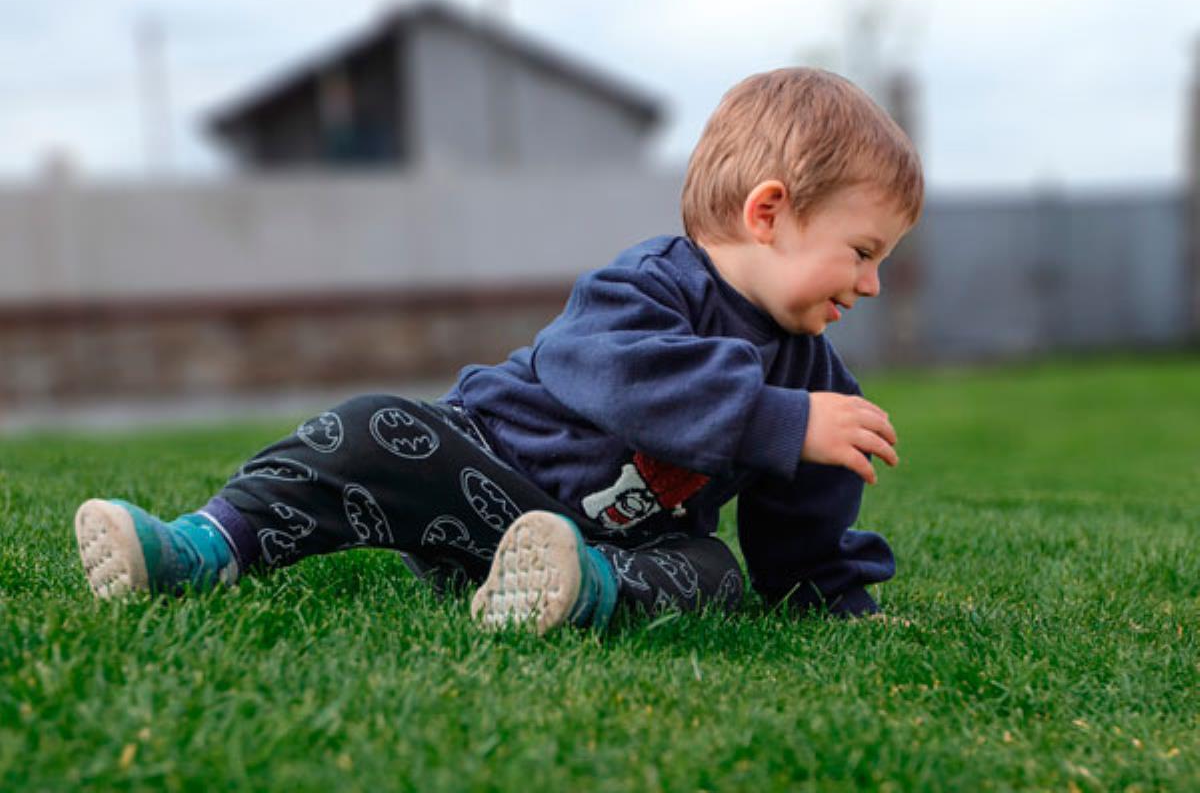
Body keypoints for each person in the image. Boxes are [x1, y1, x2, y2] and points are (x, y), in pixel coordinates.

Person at [75, 67, 923, 635]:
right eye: (862, 252)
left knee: (713, 574)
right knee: (370, 427)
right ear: (768, 213)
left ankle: (574, 594)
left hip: (602, 548)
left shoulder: (811, 377)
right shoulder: (649, 285)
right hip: (478, 480)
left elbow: (800, 512)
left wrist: (828, 593)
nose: (873, 283)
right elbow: (611, 373)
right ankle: (205, 548)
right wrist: (780, 422)